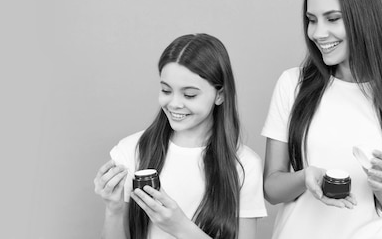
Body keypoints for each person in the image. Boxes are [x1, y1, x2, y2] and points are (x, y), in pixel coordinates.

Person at [261, 0, 382, 239]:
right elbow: (271, 189)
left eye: (332, 18)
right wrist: (304, 177)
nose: (317, 33)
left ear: (363, 18)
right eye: (311, 19)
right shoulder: (292, 84)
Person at [94, 33, 267, 239]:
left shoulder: (244, 165)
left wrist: (180, 228)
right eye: (166, 90)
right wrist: (113, 210)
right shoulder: (130, 150)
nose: (174, 103)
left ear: (220, 95)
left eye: (189, 95)